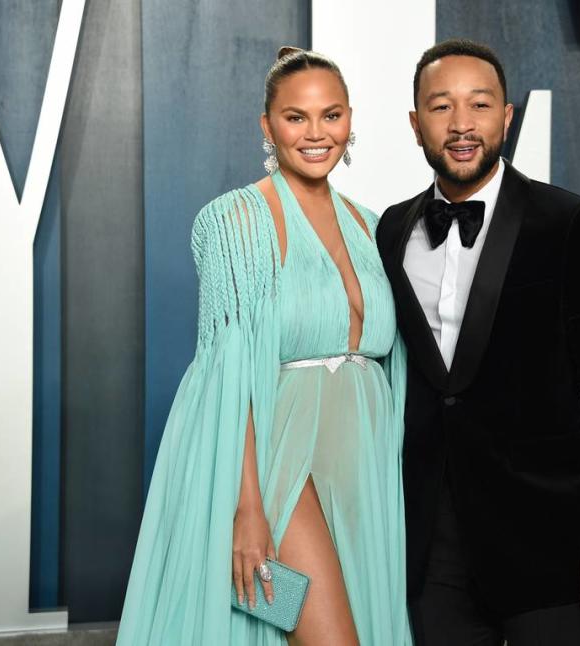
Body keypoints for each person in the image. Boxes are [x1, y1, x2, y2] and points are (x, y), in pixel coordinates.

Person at [116, 47, 412, 645]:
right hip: (278, 466)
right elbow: (227, 371)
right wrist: (245, 508)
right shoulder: (237, 221)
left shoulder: (375, 226)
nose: (315, 133)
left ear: (350, 120)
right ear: (267, 125)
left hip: (364, 467)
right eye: (295, 117)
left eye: (330, 116)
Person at [375, 39, 580, 646]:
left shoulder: (572, 224)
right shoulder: (391, 229)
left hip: (549, 542)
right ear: (416, 123)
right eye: (442, 107)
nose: (462, 125)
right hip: (432, 546)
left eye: (479, 105)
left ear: (506, 117)